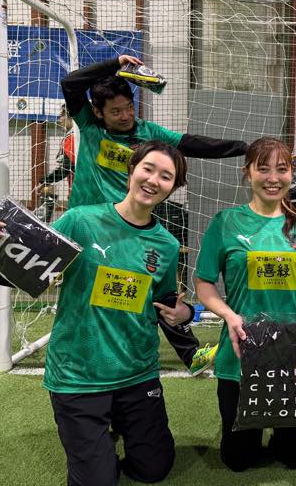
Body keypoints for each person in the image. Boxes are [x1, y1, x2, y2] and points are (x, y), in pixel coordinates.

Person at [0, 141, 193, 485]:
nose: (154, 180)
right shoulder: (80, 221)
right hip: (78, 374)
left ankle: (115, 427)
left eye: (166, 176)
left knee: (154, 470)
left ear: (173, 187)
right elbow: (16, 271)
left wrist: (185, 314)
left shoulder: (167, 245)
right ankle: (96, 442)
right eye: (148, 168)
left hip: (137, 373)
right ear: (131, 171)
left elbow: (165, 302)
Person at [61, 54, 248, 373]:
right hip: (87, 229)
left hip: (131, 229)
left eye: (129, 108)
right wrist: (114, 64)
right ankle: (86, 358)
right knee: (90, 295)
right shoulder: (91, 128)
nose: (125, 116)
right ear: (98, 112)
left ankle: (191, 355)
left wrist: (245, 147)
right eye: (116, 111)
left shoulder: (149, 134)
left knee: (152, 287)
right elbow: (70, 83)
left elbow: (193, 144)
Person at [194, 137, 296, 472]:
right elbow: (203, 284)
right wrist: (229, 314)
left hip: (293, 353)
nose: (273, 178)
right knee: (238, 460)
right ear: (248, 172)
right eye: (263, 168)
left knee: (294, 457)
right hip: (241, 352)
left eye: (282, 169)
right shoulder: (225, 223)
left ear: (292, 175)